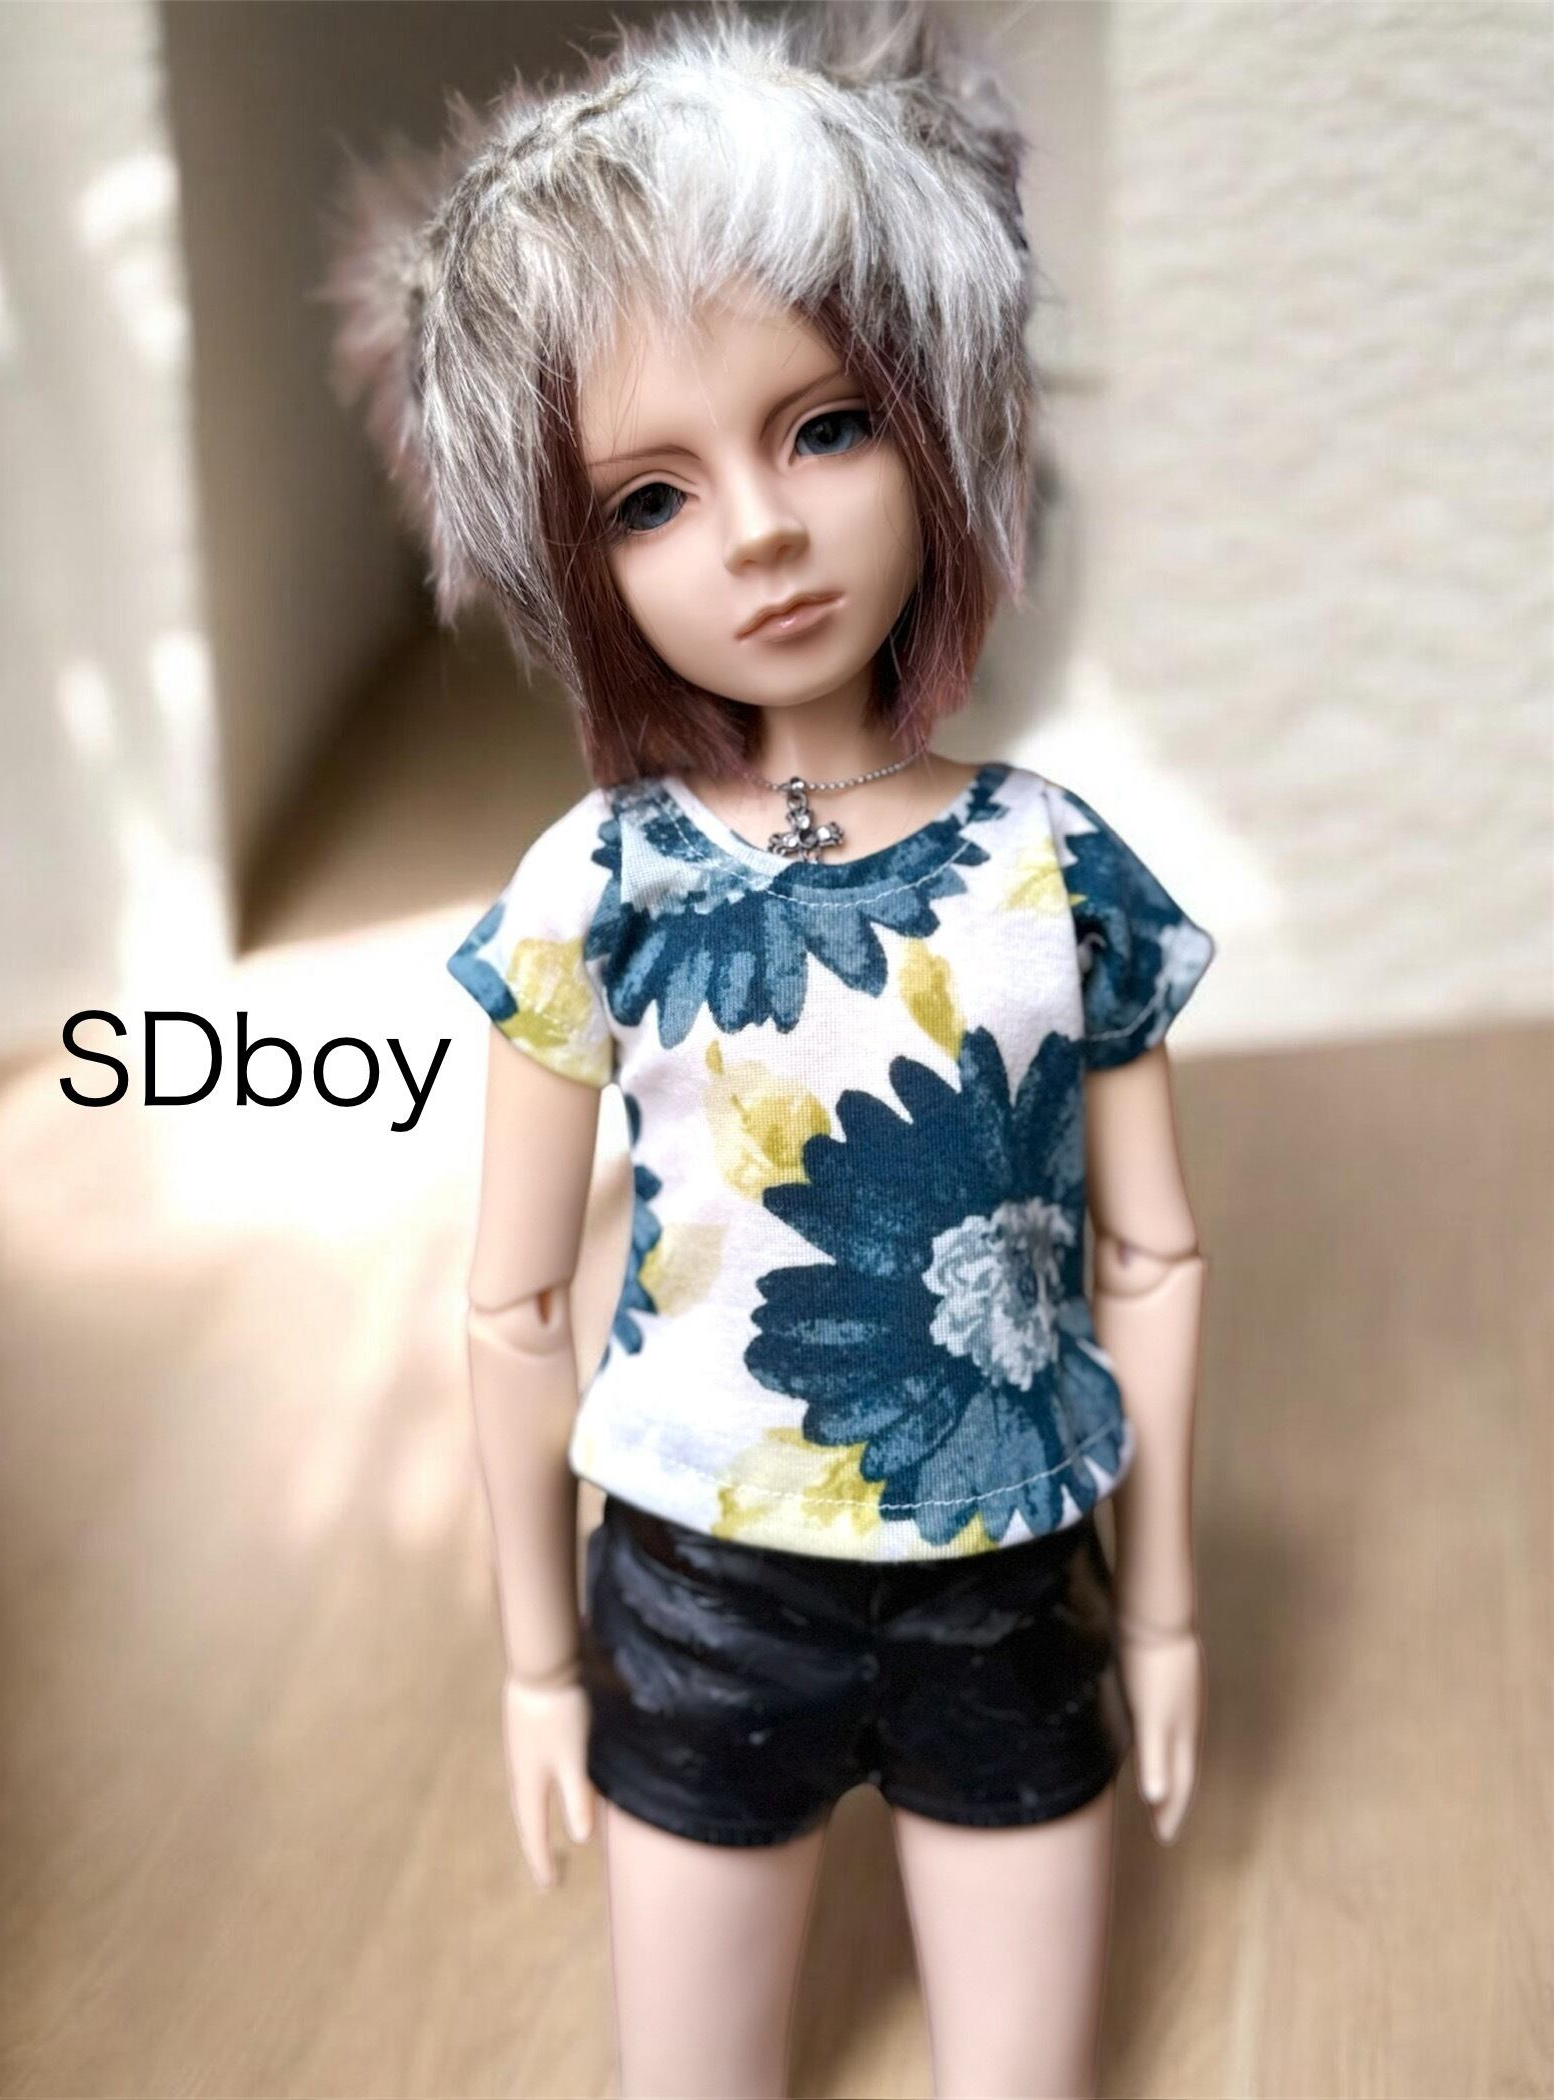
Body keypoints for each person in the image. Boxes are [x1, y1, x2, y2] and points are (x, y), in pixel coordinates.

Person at [323, 5, 1216, 2093]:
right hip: (701, 1576)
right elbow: (511, 1300)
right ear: (570, 556)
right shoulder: (597, 885)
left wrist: (1163, 1607)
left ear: (943, 417)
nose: (756, 529)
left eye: (824, 428)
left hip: (1012, 1569)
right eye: (649, 493)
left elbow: (1154, 1255)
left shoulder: (1053, 864)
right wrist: (540, 1657)